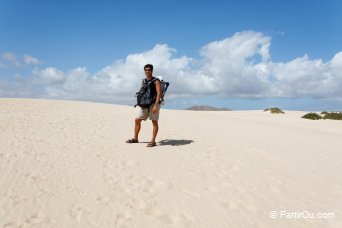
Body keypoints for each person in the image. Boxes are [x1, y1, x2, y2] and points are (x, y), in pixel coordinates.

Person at [126, 64, 161, 147]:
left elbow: (159, 93)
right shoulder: (143, 81)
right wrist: (140, 103)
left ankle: (153, 141)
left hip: (153, 104)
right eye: (146, 70)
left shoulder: (156, 81)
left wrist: (156, 105)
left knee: (154, 122)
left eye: (149, 70)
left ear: (152, 71)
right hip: (145, 104)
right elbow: (142, 92)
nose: (147, 71)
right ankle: (135, 138)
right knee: (137, 120)